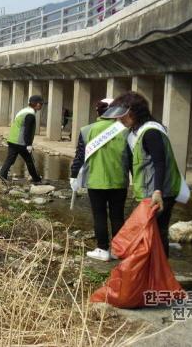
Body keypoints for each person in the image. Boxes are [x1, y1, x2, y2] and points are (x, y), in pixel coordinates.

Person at [102, 91, 186, 258]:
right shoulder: (135, 131)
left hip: (161, 191)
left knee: (156, 231)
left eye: (122, 116)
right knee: (150, 232)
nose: (119, 120)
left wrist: (158, 191)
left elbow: (159, 162)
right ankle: (153, 269)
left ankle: (158, 271)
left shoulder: (151, 132)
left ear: (133, 113)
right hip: (148, 191)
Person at [70, 98, 130, 261]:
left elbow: (79, 157)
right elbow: (131, 159)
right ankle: (119, 250)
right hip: (119, 181)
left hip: (96, 181)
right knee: (117, 215)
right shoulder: (125, 131)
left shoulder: (86, 130)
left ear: (98, 112)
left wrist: (73, 176)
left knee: (99, 215)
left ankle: (103, 249)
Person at [0, 95, 44, 184]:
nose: (41, 105)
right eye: (41, 104)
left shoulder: (24, 110)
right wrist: (29, 144)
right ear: (37, 104)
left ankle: (2, 176)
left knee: (10, 159)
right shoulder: (30, 114)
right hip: (20, 142)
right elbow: (27, 130)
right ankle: (36, 179)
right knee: (29, 160)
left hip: (12, 139)